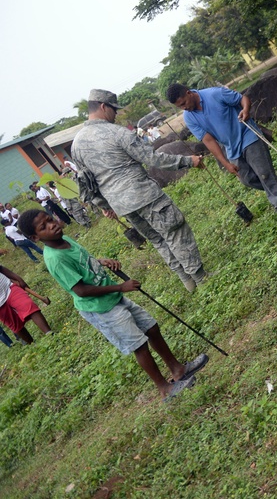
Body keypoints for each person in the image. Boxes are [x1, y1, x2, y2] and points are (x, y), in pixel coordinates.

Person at [19, 209, 208, 401]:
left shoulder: (65, 239)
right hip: (101, 308)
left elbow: (85, 262)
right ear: (35, 237)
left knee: (151, 328)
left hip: (112, 296)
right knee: (139, 345)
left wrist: (101, 262)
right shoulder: (56, 259)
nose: (52, 225)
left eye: (50, 219)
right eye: (44, 227)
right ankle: (164, 388)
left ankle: (178, 369)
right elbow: (81, 290)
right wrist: (121, 287)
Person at [71, 89, 210, 292]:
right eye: (114, 109)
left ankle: (186, 280)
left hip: (121, 205)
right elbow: (153, 159)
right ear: (103, 106)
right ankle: (200, 277)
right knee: (175, 230)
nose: (116, 114)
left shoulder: (76, 145)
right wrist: (189, 161)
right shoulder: (117, 133)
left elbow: (87, 182)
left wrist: (104, 205)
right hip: (144, 195)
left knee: (157, 239)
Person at [166, 84, 277, 212]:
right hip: (231, 147)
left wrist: (245, 110)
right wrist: (226, 163)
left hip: (248, 135)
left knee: (264, 173)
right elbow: (209, 140)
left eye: (184, 103)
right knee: (247, 179)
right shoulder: (189, 117)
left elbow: (243, 99)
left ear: (189, 93)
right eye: (180, 107)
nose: (184, 108)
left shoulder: (215, 94)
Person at [0, 262, 52, 344]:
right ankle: (32, 344)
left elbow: (1, 269)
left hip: (9, 288)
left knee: (28, 305)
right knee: (15, 325)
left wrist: (19, 279)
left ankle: (49, 333)